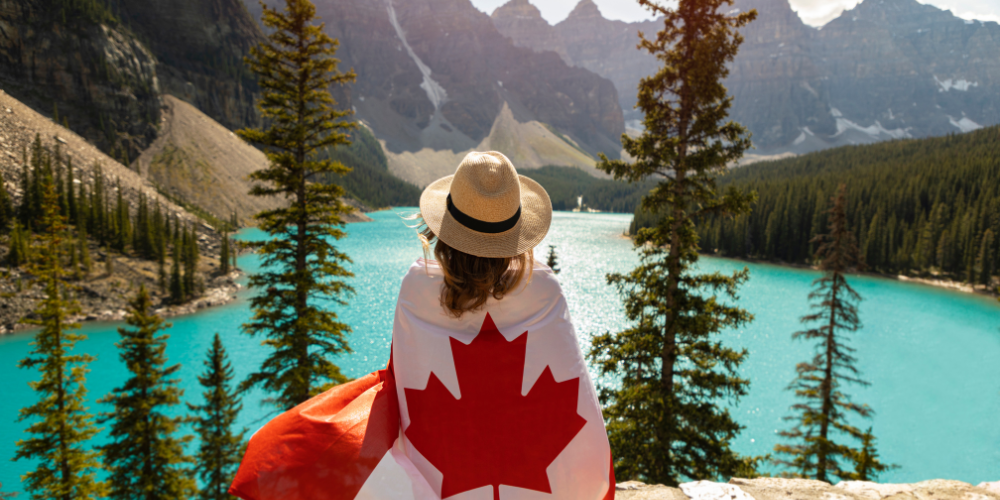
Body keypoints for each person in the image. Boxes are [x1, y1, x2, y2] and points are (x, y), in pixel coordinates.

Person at [230, 152, 614, 500]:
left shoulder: (417, 287)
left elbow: (402, 382)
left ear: (444, 232)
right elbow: (575, 389)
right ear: (517, 235)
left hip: (444, 487)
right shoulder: (543, 288)